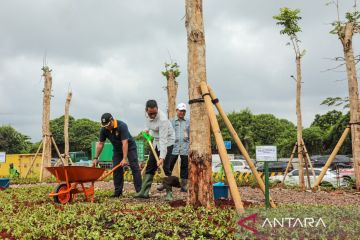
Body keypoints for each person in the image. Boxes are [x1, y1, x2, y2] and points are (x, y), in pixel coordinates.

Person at [93, 113, 142, 197]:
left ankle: (140, 191)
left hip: (130, 147)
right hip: (117, 149)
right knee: (116, 169)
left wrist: (124, 158)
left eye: (108, 125)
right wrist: (95, 158)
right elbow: (101, 144)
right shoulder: (104, 129)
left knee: (134, 167)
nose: (106, 127)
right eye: (104, 125)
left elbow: (125, 142)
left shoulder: (122, 126)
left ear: (112, 120)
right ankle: (118, 192)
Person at [135, 99, 175, 200]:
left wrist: (161, 158)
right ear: (146, 111)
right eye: (150, 113)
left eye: (154, 113)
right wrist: (146, 131)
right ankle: (143, 192)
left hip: (167, 141)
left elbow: (163, 140)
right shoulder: (146, 115)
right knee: (150, 166)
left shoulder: (163, 120)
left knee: (165, 168)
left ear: (157, 109)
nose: (152, 115)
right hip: (155, 141)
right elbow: (148, 125)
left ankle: (169, 193)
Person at [169, 103, 189, 192]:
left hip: (185, 147)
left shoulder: (188, 122)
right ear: (177, 110)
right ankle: (165, 183)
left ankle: (184, 186)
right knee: (169, 165)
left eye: (184, 111)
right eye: (181, 110)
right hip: (173, 147)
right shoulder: (171, 121)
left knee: (184, 166)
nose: (182, 112)